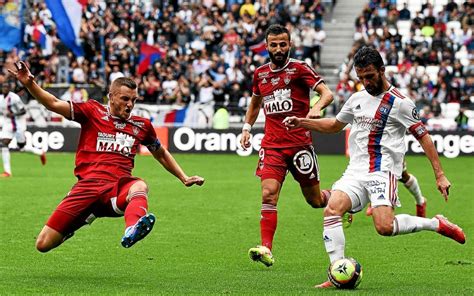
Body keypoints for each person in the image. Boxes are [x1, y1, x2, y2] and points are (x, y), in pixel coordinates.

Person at [283, 46, 466, 288]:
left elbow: (424, 137)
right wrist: (302, 122)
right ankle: (337, 271)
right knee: (332, 210)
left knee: (384, 227)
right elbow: (335, 126)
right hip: (355, 171)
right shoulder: (357, 98)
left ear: (382, 70)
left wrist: (440, 175)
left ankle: (436, 223)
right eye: (361, 77)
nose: (366, 82)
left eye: (370, 76)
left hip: (382, 171)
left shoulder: (400, 103)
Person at [8, 62, 204, 252]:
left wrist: (183, 177)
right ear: (111, 96)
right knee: (43, 244)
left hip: (116, 190)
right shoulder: (92, 111)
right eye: (125, 99)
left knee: (140, 186)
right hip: (86, 188)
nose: (130, 105)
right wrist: (29, 83)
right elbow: (53, 103)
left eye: (134, 100)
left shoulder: (142, 125)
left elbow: (160, 152)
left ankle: (132, 228)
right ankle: (86, 217)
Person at [240, 24, 342, 267]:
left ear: (290, 44)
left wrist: (316, 108)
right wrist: (246, 128)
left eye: (282, 44)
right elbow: (255, 104)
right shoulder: (260, 74)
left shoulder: (299, 69)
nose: (278, 49)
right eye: (273, 45)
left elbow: (327, 94)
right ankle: (266, 247)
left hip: (299, 146)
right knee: (268, 193)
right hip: (272, 146)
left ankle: (341, 198)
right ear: (266, 46)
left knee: (315, 201)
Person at [0, 78, 46, 177]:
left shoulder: (14, 98)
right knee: (3, 144)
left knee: (21, 148)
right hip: (8, 124)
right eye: (3, 86)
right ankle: (7, 172)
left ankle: (39, 152)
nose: (4, 88)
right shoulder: (0, 99)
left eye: (6, 87)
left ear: (10, 88)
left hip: (19, 124)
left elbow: (23, 111)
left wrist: (13, 114)